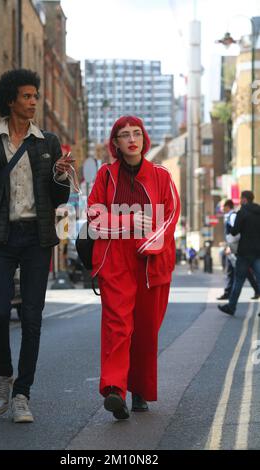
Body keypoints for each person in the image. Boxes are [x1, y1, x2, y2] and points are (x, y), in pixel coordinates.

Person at [0, 69, 71, 423]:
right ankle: (3, 375)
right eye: (26, 96)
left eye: (35, 96)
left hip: (37, 238)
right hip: (0, 239)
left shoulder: (48, 142)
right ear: (10, 99)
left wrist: (60, 175)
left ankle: (22, 393)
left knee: (31, 317)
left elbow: (59, 197)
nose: (32, 102)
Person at [87, 116, 180, 419]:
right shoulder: (104, 175)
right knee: (118, 325)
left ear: (144, 138)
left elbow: (171, 214)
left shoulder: (161, 175)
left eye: (136, 133)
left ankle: (139, 389)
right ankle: (114, 388)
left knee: (145, 329)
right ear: (115, 143)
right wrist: (128, 222)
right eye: (124, 135)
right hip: (114, 258)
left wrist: (151, 241)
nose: (131, 139)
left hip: (152, 260)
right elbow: (94, 218)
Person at [218, 191, 260, 316]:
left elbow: (235, 231)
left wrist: (230, 227)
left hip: (244, 252)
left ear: (245, 200)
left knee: (239, 280)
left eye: (241, 198)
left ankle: (231, 307)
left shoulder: (242, 212)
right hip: (257, 252)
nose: (240, 200)